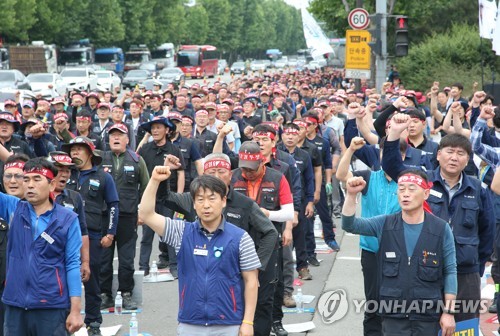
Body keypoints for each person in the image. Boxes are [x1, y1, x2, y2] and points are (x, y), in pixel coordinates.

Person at [382, 112, 495, 323]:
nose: (454, 157)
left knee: (464, 327)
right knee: (424, 326)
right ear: (438, 154)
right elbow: (392, 166)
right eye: (449, 152)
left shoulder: (478, 188)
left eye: (461, 153)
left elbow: (487, 231)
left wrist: (475, 265)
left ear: (468, 159)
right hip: (426, 271)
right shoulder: (423, 181)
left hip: (465, 272)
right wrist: (395, 133)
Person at [139, 172, 260, 336]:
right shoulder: (181, 232)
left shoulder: (240, 238)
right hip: (190, 323)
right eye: (200, 199)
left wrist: (247, 322)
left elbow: (251, 281)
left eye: (212, 198)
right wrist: (154, 180)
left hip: (228, 323)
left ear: (223, 201)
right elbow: (146, 214)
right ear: (194, 204)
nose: (206, 205)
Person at [342, 171, 457, 336]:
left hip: (427, 316)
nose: (406, 194)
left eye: (412, 189)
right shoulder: (385, 223)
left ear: (426, 193)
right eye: (401, 189)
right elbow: (350, 225)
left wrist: (449, 312)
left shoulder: (441, 228)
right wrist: (352, 195)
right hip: (393, 315)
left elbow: (450, 271)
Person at [0, 158, 84, 335]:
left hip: (52, 307)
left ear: (52, 184)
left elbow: (72, 265)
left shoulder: (68, 220)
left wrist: (75, 311)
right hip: (15, 305)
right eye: (26, 179)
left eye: (37, 179)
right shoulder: (14, 209)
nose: (30, 185)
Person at [231, 141, 294, 336]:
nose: (247, 173)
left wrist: (267, 214)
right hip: (237, 242)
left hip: (266, 242)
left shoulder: (277, 178)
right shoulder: (233, 177)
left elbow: (289, 213)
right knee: (236, 292)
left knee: (266, 295)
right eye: (244, 168)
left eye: (251, 168)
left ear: (262, 161)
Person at [63, 136, 120, 336]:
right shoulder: (65, 174)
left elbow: (113, 205)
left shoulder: (104, 177)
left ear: (89, 152)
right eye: (72, 150)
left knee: (92, 280)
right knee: (63, 278)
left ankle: (94, 322)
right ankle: (65, 319)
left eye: (79, 149)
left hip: (94, 235)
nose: (75, 153)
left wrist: (111, 233)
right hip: (66, 235)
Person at [99, 123, 149, 310]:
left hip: (128, 216)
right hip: (104, 215)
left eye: (120, 135)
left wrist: (142, 212)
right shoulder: (100, 159)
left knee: (127, 258)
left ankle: (125, 293)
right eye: (112, 135)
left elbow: (146, 188)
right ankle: (104, 294)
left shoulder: (137, 160)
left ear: (127, 139)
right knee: (104, 257)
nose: (116, 138)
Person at [137, 116, 185, 278]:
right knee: (146, 235)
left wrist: (178, 198)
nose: (155, 131)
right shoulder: (144, 149)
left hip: (167, 197)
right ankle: (143, 267)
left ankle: (174, 266)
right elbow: (138, 171)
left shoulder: (174, 149)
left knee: (169, 234)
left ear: (167, 130)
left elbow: (180, 173)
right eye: (153, 128)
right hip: (148, 197)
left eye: (158, 127)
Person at [48, 151, 91, 284]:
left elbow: (83, 231)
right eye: (60, 170)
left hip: (67, 259)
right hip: (42, 258)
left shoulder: (75, 197)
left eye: (67, 170)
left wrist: (85, 262)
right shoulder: (37, 195)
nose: (65, 174)